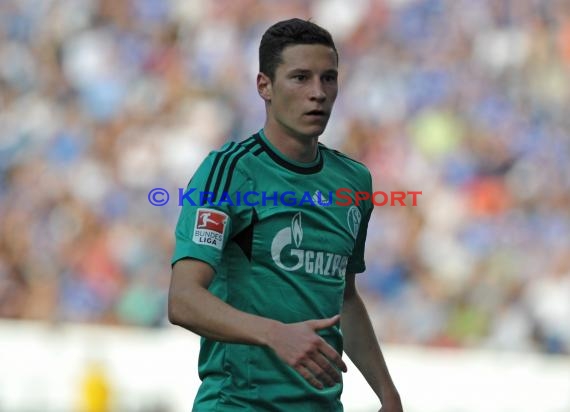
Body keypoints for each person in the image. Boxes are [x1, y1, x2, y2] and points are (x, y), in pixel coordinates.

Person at [168, 18, 403, 412]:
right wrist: (274, 335)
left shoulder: (354, 181)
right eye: (300, 78)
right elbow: (184, 299)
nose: (318, 93)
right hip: (238, 404)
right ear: (265, 86)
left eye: (329, 79)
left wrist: (388, 394)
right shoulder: (228, 172)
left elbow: (344, 298)